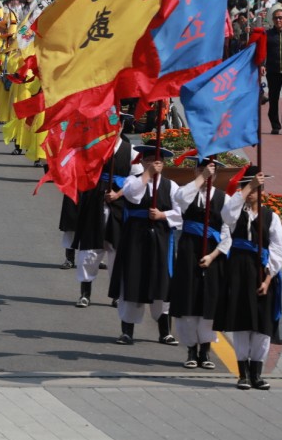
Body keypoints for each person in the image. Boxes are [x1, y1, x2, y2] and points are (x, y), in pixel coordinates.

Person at [214, 167, 282, 390]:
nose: (252, 192)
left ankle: (257, 373)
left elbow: (279, 249)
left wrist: (267, 278)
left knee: (262, 326)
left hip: (261, 273)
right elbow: (227, 214)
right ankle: (242, 373)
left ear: (262, 191)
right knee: (241, 323)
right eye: (247, 188)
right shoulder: (236, 215)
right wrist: (247, 188)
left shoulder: (270, 216)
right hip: (238, 270)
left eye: (255, 189)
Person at [109, 144, 181, 346]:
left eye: (156, 162)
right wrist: (147, 175)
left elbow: (181, 212)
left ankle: (165, 331)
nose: (152, 164)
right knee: (132, 280)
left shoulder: (171, 186)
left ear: (163, 165)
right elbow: (133, 194)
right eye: (147, 161)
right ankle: (127, 331)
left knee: (161, 282)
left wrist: (163, 215)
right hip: (135, 238)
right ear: (141, 162)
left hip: (161, 238)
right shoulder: (134, 180)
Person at [170, 157, 231, 369]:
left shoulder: (225, 199)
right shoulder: (190, 192)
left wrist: (213, 255)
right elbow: (179, 198)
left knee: (208, 303)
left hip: (212, 254)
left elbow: (228, 233)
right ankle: (190, 349)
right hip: (189, 251)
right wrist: (200, 179)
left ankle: (205, 350)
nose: (207, 176)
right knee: (188, 302)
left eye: (211, 172)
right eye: (202, 171)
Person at [72, 119, 132, 308]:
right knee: (89, 250)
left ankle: (116, 294)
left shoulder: (131, 151)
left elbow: (138, 181)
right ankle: (85, 293)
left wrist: (118, 194)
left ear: (122, 126)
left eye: (117, 124)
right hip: (96, 201)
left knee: (116, 252)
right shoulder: (95, 146)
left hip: (120, 206)